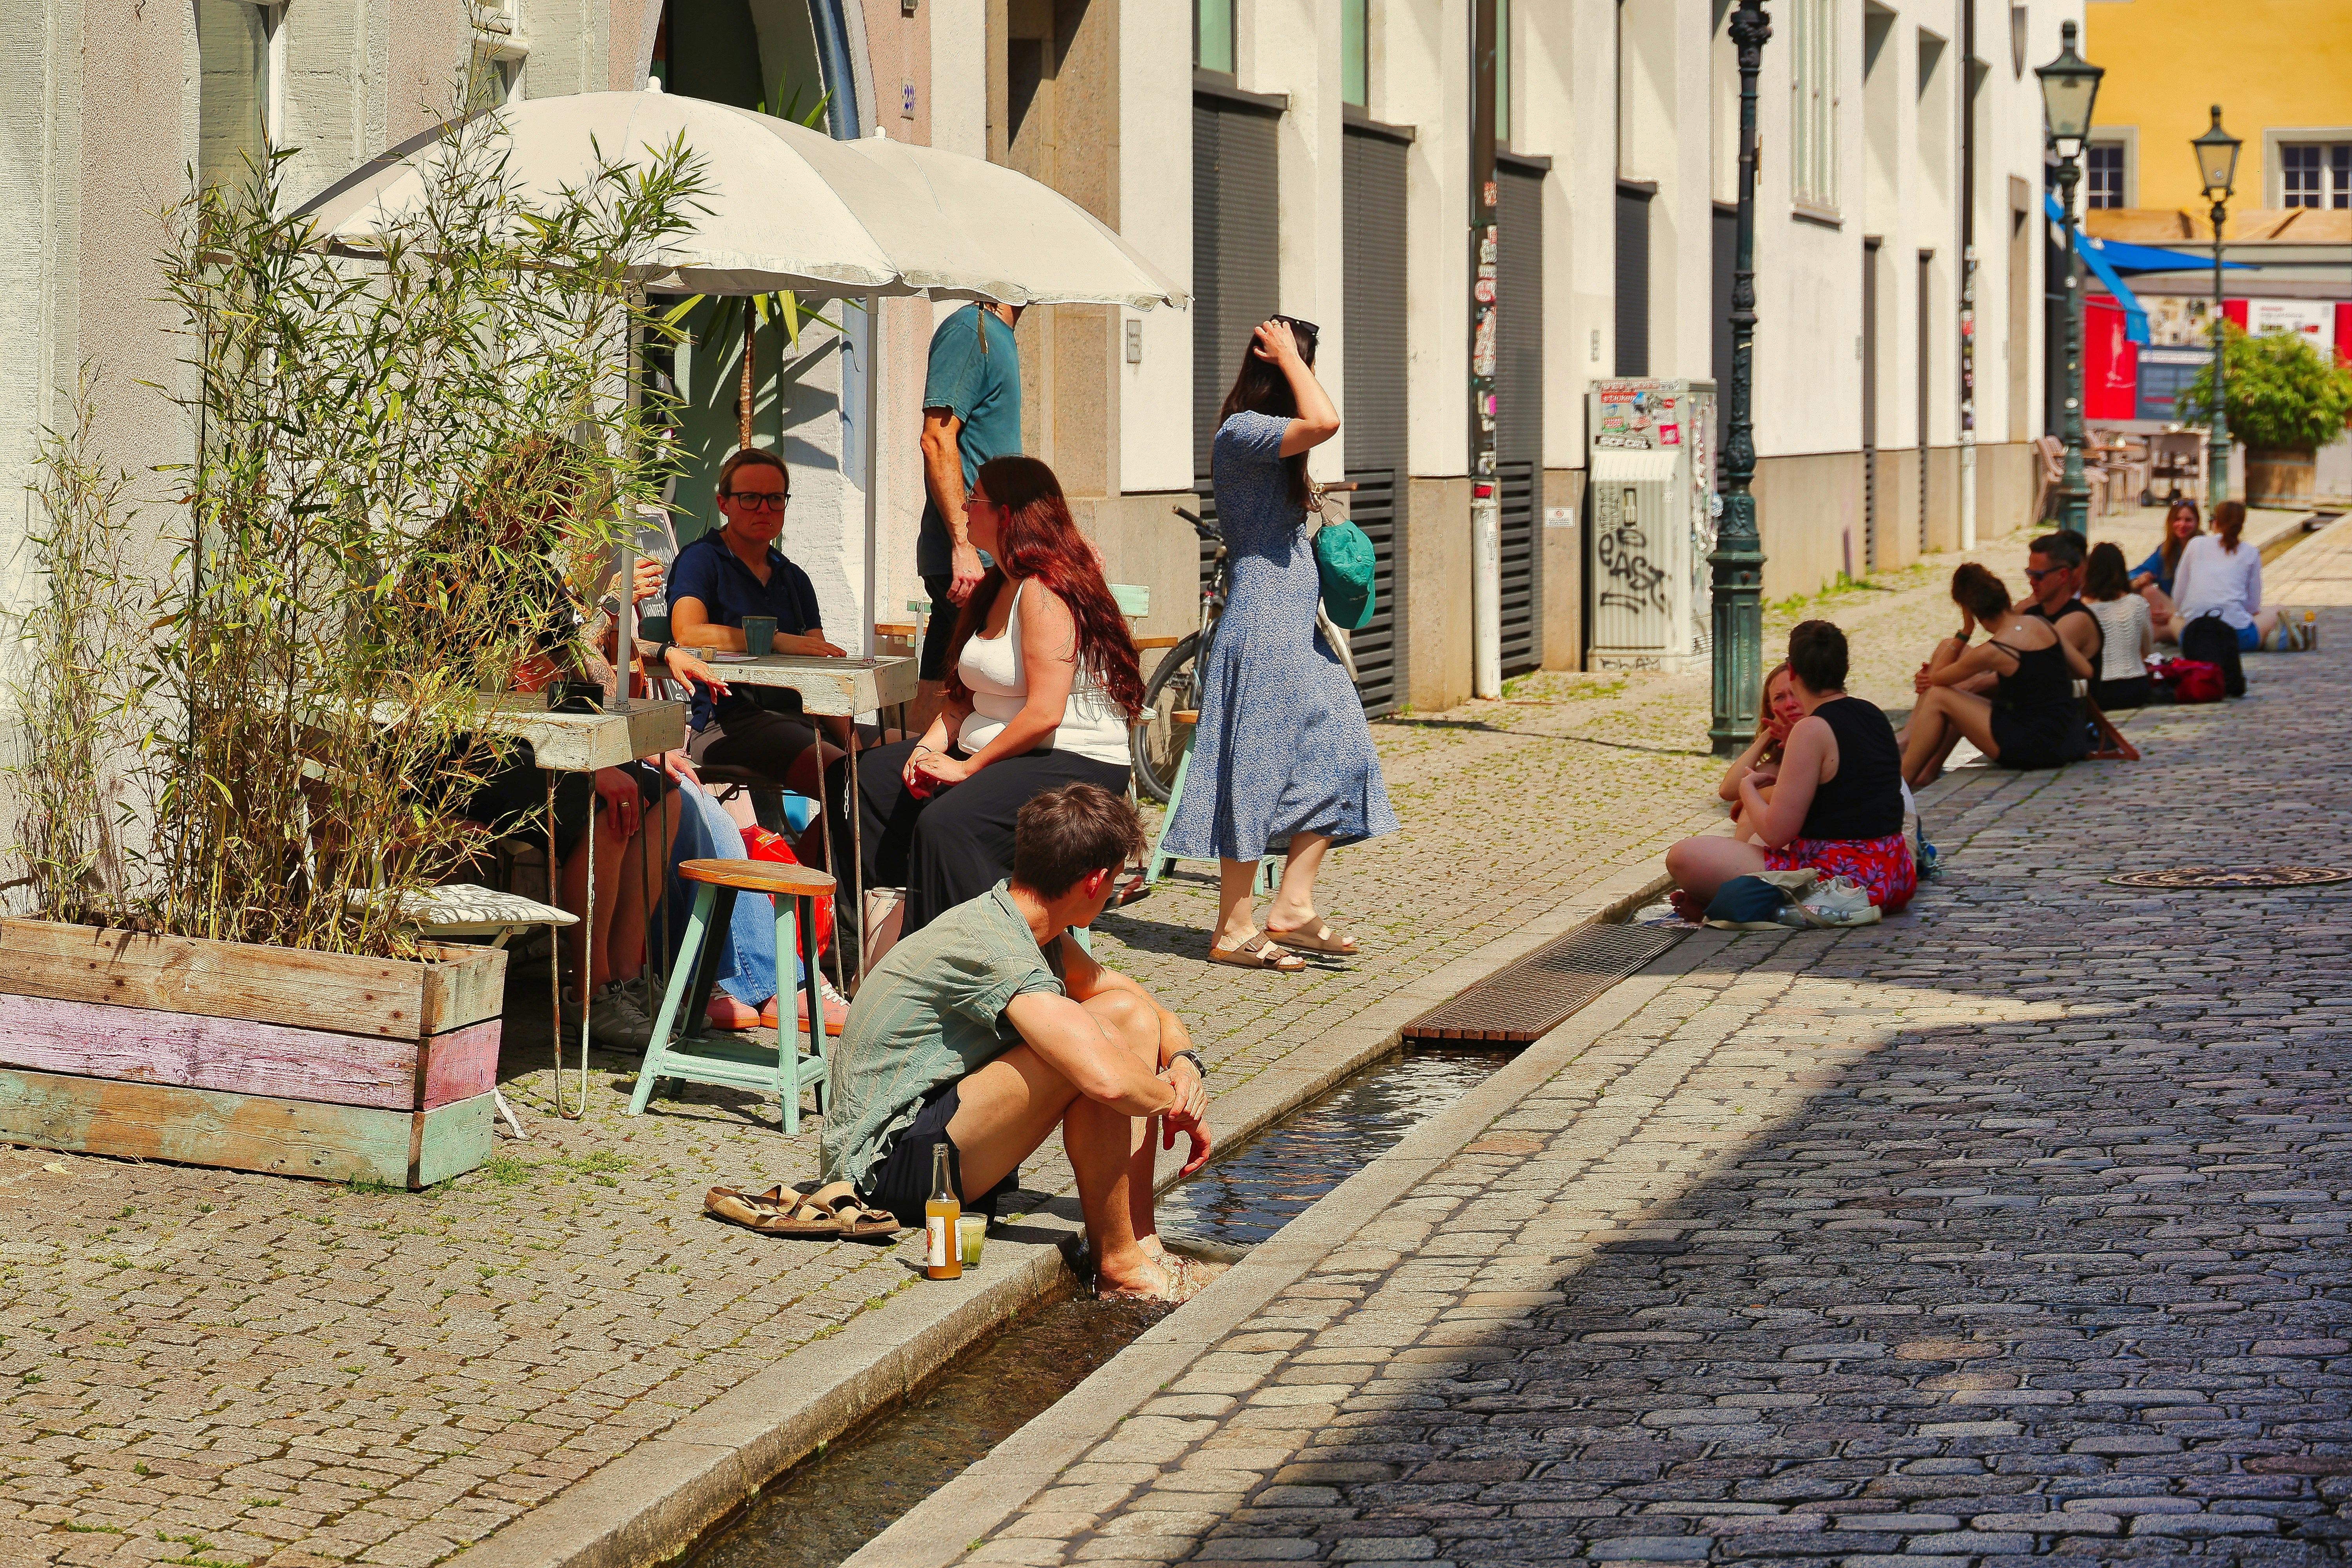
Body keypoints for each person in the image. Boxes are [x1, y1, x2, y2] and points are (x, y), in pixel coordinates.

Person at [818, 784, 1216, 1302]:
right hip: (882, 1172)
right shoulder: (996, 948)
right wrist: (1176, 1103)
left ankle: (1144, 1245)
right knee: (1093, 1050)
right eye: (1117, 880)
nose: (1115, 892)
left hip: (935, 1136)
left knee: (1125, 1018)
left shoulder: (1025, 924)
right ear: (1095, 880)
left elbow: (1143, 1007)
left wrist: (1184, 1065)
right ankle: (1120, 1266)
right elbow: (1106, 1080)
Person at [1160, 317, 1399, 973]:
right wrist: (1294, 360)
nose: (1309, 379)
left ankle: (1291, 907)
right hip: (1263, 625)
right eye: (1301, 365)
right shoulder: (1243, 431)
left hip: (1296, 625)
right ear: (1279, 369)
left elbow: (1316, 422)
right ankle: (1232, 926)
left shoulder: (1275, 445)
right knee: (1257, 768)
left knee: (1345, 753)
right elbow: (1326, 420)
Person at [856, 457, 1142, 937]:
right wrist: (928, 749)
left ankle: (965, 964)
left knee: (946, 822)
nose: (965, 508)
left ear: (1006, 514)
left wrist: (967, 769)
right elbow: (961, 700)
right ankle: (870, 946)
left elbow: (1046, 713)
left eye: (976, 498)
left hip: (1072, 759)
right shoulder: (996, 586)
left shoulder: (1044, 589)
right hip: (1007, 750)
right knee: (875, 779)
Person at [1664, 621, 1913, 913]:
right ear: (1845, 669)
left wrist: (1749, 790)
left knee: (1683, 856)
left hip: (1846, 882)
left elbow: (1776, 834)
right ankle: (1725, 901)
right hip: (1894, 873)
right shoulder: (1872, 713)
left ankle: (1731, 904)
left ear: (1793, 673)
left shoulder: (1811, 729)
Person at [667, 448, 849, 800]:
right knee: (845, 778)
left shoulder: (793, 577)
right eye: (750, 498)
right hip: (726, 723)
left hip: (801, 716)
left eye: (775, 499)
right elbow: (687, 633)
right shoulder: (701, 559)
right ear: (724, 504)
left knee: (901, 758)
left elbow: (821, 670)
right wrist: (778, 640)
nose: (764, 509)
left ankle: (820, 855)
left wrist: (852, 739)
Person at [915, 302, 1025, 733]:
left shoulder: (996, 334)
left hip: (986, 556)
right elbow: (936, 438)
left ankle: (906, 785)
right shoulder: (970, 331)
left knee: (942, 688)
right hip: (973, 561)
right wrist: (964, 545)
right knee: (979, 701)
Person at [1901, 564, 2086, 788]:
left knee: (1940, 697)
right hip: (2065, 736)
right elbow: (2085, 670)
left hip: (2033, 744)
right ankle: (1926, 770)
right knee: (1959, 698)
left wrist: (1966, 630)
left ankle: (1901, 782)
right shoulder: (2041, 623)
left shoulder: (1995, 650)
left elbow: (1938, 679)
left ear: (1976, 613)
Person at [2165, 499, 2280, 651]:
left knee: (2174, 619)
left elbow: (2178, 595)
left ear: (2216, 522)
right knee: (2276, 611)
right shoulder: (2251, 552)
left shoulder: (2195, 544)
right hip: (2237, 638)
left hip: (2196, 639)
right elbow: (2253, 606)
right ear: (2241, 525)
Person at [1720, 662, 1800, 845]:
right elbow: (1728, 790)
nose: (1790, 704)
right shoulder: (1779, 759)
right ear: (1771, 707)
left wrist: (1752, 797)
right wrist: (1767, 736)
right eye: (1780, 698)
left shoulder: (1824, 737)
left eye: (1795, 693)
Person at [2082, 541, 2155, 710]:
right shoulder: (2138, 604)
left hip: (2100, 691)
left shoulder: (2084, 610)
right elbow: (2148, 650)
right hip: (2136, 688)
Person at [2022, 531, 2103, 683]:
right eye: (2030, 574)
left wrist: (1973, 684)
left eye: (2038, 576)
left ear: (2063, 576)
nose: (2032, 582)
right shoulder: (2032, 612)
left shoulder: (2078, 618)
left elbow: (2027, 667)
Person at [2132, 496, 2200, 629]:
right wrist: (2138, 581)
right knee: (2148, 590)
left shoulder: (2205, 547)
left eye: (2188, 520)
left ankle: (2180, 629)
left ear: (2197, 523)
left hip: (2199, 611)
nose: (2182, 525)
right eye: (2177, 520)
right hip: (2173, 609)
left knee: (2153, 632)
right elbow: (2134, 574)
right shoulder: (2166, 551)